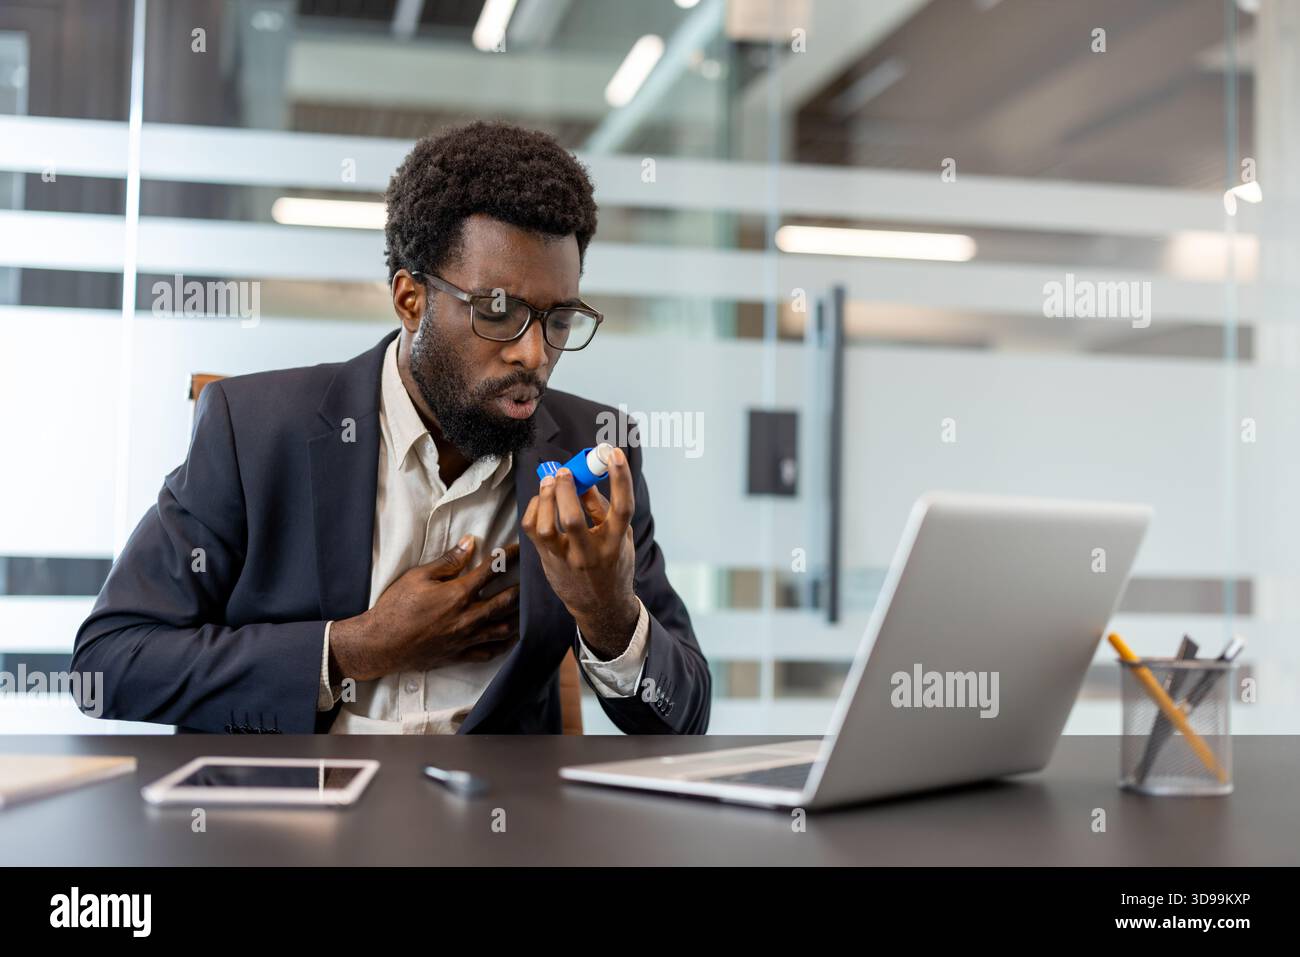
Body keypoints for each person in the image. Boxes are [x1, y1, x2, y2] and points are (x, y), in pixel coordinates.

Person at [72, 121, 711, 735]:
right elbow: (109, 662)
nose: (534, 353)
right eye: (498, 311)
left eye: (558, 319)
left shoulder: (594, 451)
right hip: (293, 822)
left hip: (493, 825)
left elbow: (683, 718)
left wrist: (608, 611)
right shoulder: (255, 430)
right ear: (410, 299)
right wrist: (354, 647)